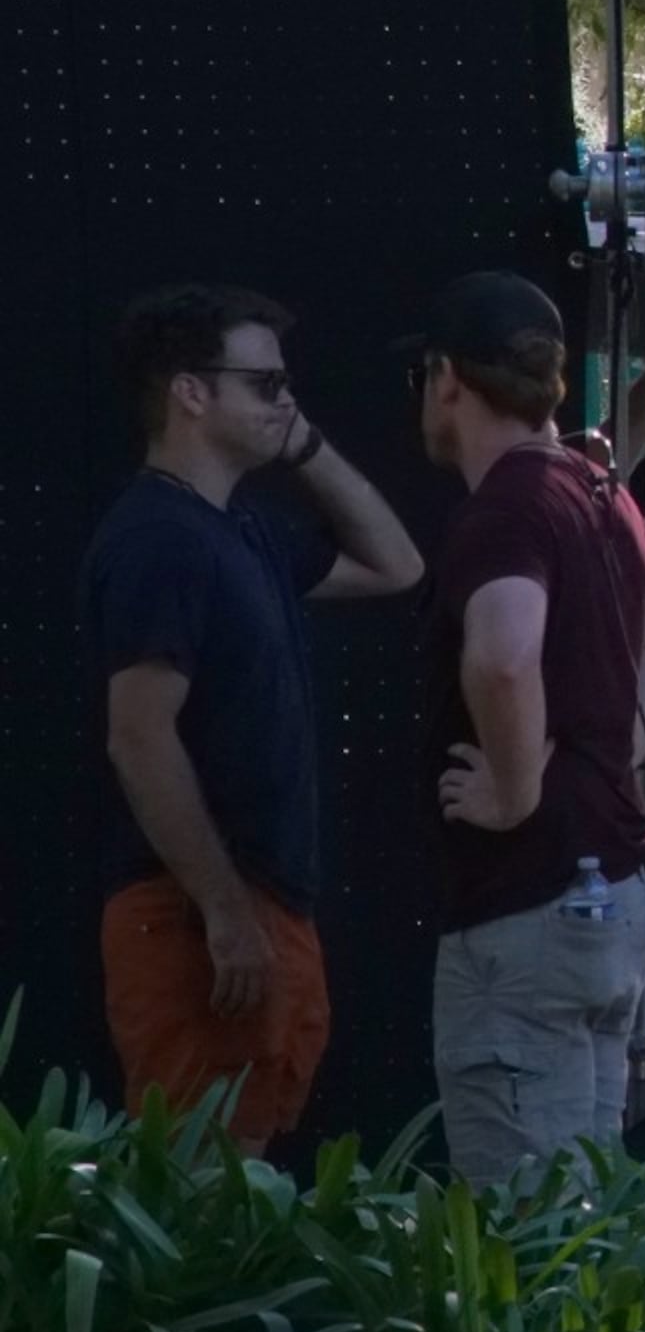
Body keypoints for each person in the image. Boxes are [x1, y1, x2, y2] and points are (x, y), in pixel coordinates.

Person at [84, 286, 422, 1147]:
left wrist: (303, 444)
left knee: (248, 1172)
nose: (287, 401)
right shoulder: (158, 536)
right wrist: (223, 909)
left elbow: (395, 565)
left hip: (258, 903)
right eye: (265, 385)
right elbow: (139, 735)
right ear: (190, 392)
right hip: (195, 914)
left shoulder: (244, 530)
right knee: (203, 1186)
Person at [409, 272, 645, 1183]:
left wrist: (516, 789)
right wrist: (612, 754)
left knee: (527, 1237)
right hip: (610, 902)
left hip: (528, 910)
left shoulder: (505, 507)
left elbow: (502, 652)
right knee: (590, 1214)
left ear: (448, 378)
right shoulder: (598, 489)